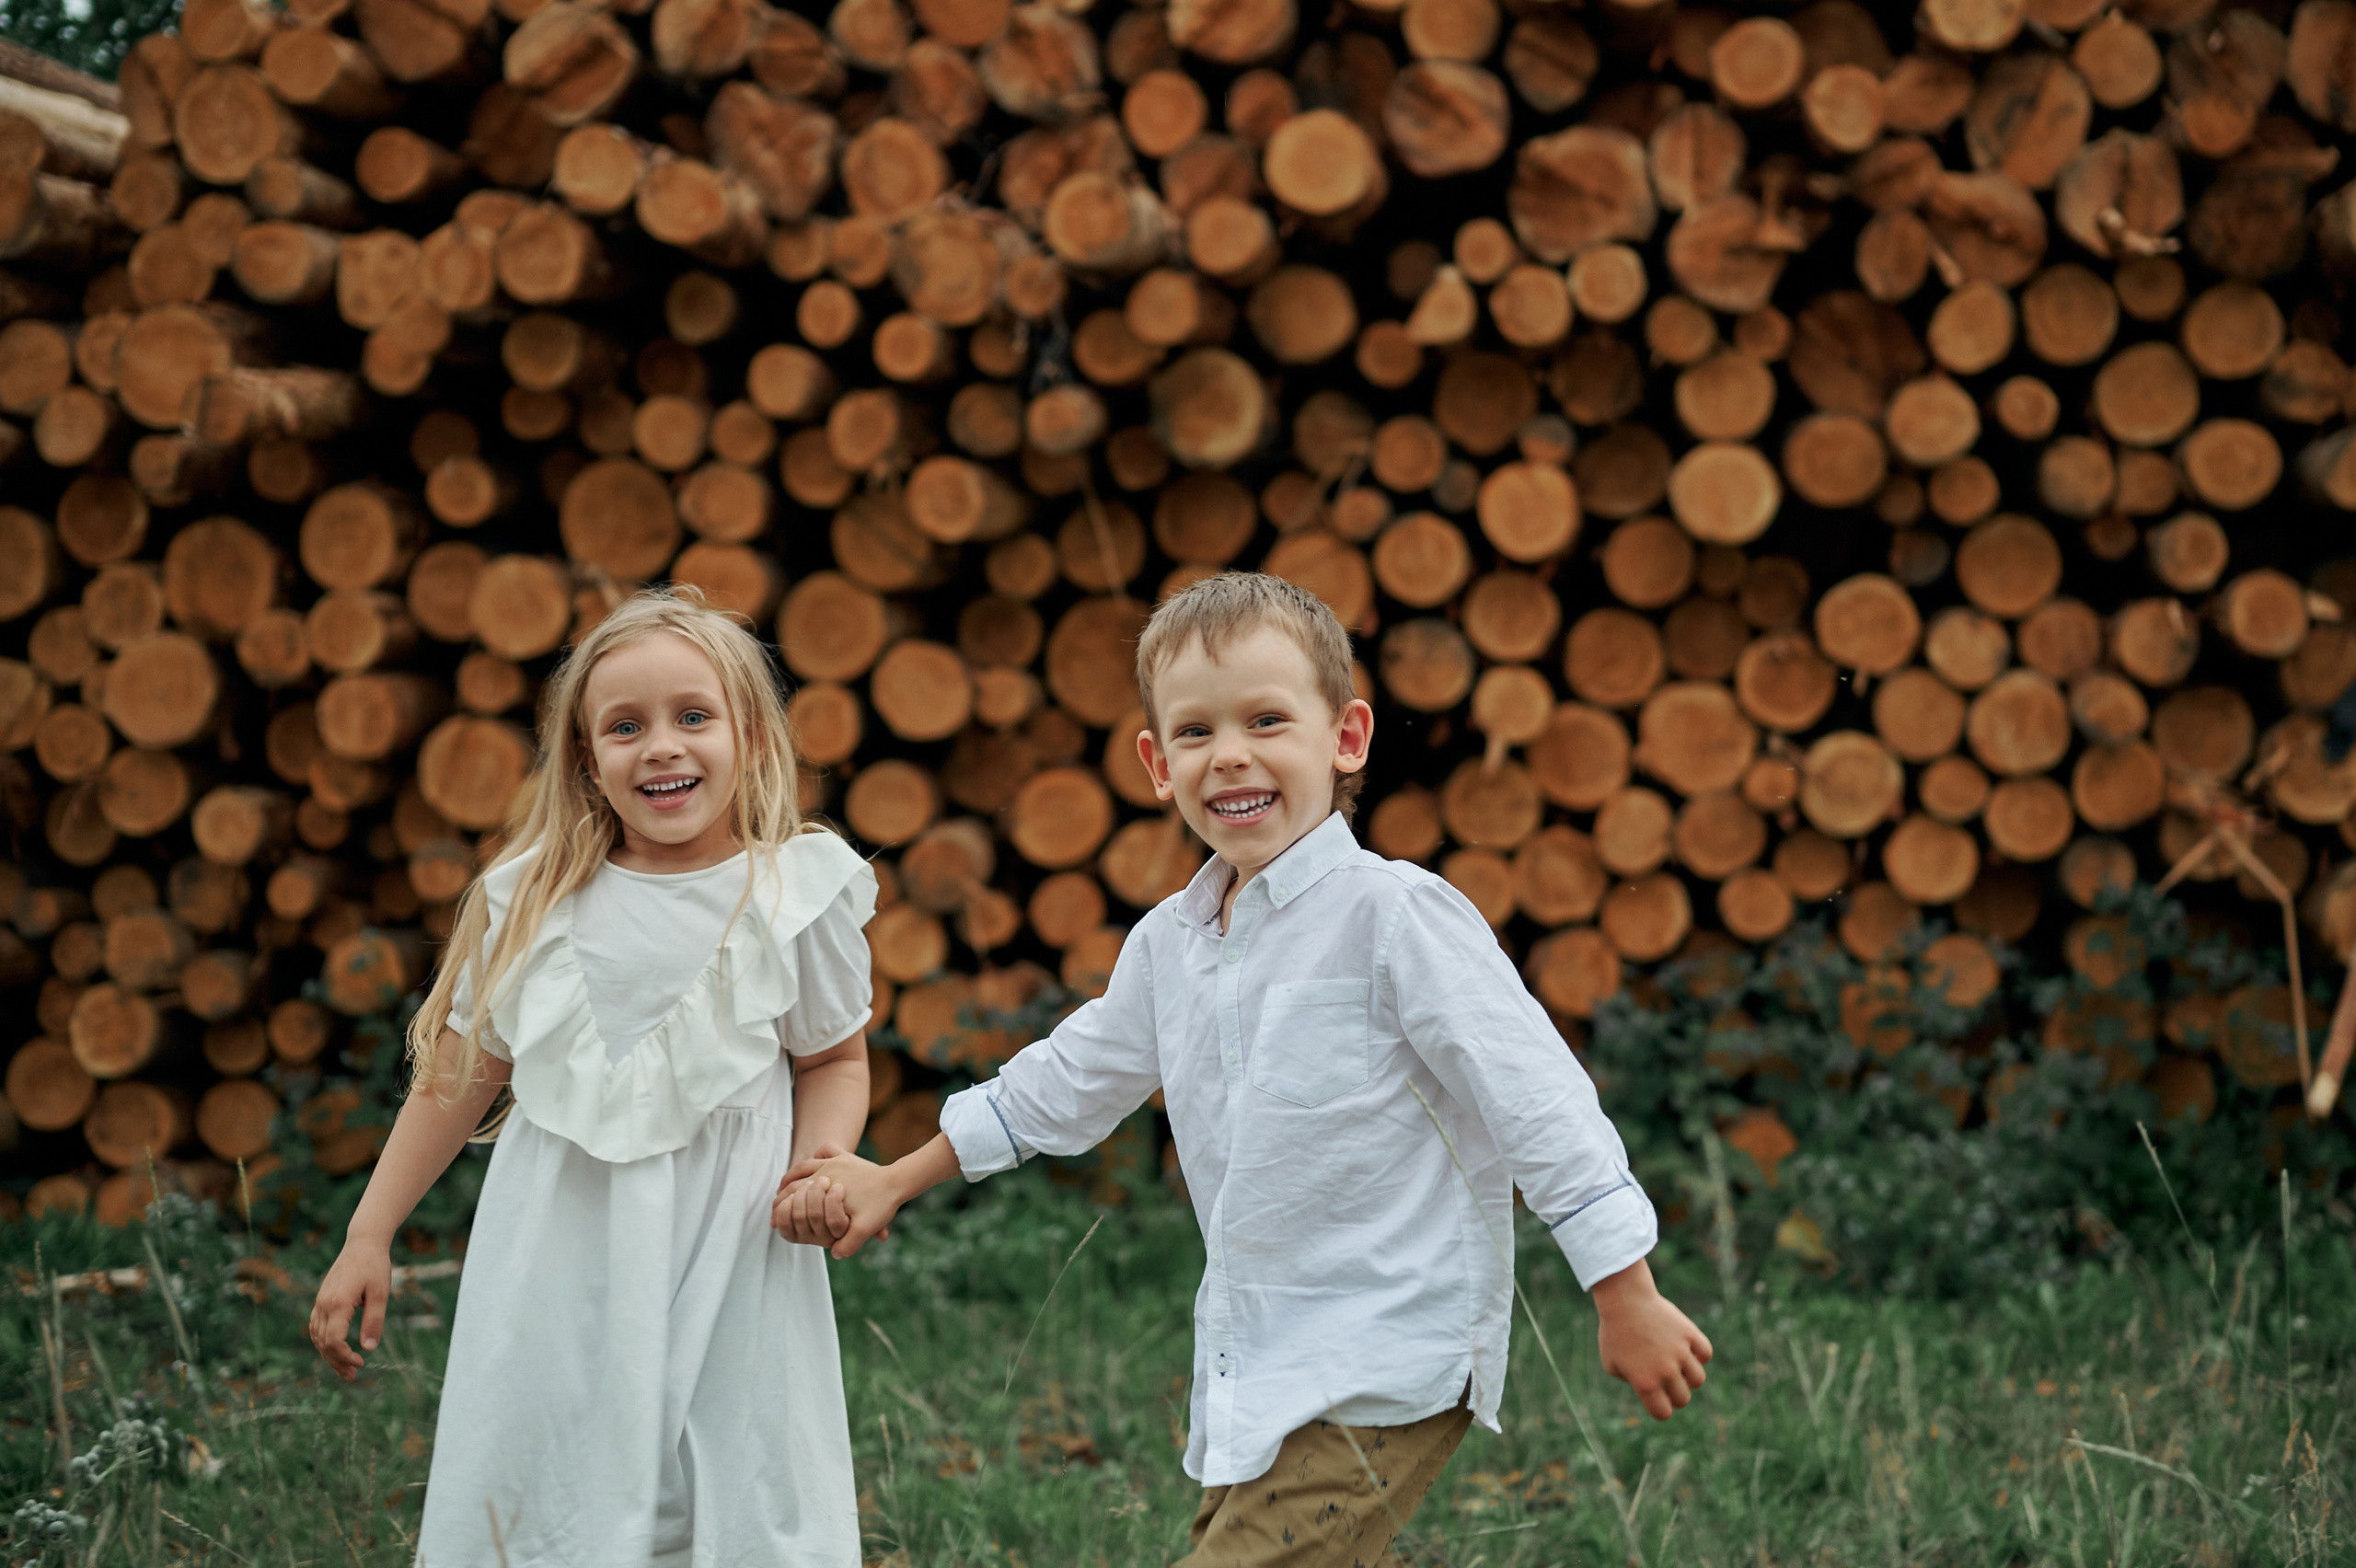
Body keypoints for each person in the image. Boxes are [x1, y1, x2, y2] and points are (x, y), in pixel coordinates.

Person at [778, 571, 1712, 1567]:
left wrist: (1625, 1291)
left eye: (1267, 720)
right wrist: (895, 1178)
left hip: (1384, 1351)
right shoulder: (1170, 944)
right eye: (1194, 733)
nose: (1230, 756)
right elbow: (1067, 1080)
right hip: (1255, 1362)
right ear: (1155, 763)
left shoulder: (1393, 918)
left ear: (1345, 738)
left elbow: (1538, 1101)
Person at [307, 587, 876, 1567]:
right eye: (625, 726)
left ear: (746, 734)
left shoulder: (792, 893)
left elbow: (833, 1057)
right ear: (584, 757)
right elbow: (458, 1075)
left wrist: (821, 1165)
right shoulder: (535, 898)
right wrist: (370, 1232)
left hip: (730, 1248)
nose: (660, 746)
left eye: (693, 717)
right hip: (557, 1255)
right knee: (547, 1464)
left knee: (734, 1479)